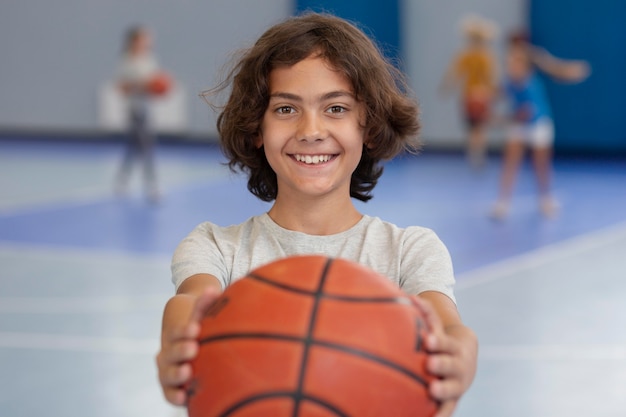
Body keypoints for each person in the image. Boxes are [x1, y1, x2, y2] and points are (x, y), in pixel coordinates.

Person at [156, 13, 477, 417]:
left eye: (336, 108)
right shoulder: (216, 247)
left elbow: (445, 324)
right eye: (286, 109)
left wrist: (460, 351)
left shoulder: (410, 250)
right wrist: (182, 339)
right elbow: (192, 301)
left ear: (370, 126)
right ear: (257, 127)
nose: (311, 130)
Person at [490, 30, 590, 220]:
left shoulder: (530, 80)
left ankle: (546, 199)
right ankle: (502, 203)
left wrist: (570, 71)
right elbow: (497, 96)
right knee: (510, 162)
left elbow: (553, 69)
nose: (511, 66)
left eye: (515, 64)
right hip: (519, 125)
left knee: (541, 165)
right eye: (509, 64)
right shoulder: (508, 81)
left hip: (538, 123)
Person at [440, 14, 499, 169]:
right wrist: (493, 93)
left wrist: (446, 87)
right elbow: (491, 78)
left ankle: (474, 155)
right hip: (482, 94)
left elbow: (454, 73)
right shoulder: (487, 56)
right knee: (481, 128)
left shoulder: (465, 55)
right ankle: (479, 155)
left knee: (472, 128)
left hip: (469, 95)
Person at [114, 25, 162, 203]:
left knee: (132, 148)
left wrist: (155, 87)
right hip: (135, 111)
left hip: (147, 110)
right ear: (134, 41)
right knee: (146, 147)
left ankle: (122, 180)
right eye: (143, 39)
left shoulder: (149, 59)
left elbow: (156, 83)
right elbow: (122, 87)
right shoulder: (127, 61)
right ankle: (152, 186)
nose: (147, 42)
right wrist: (141, 85)